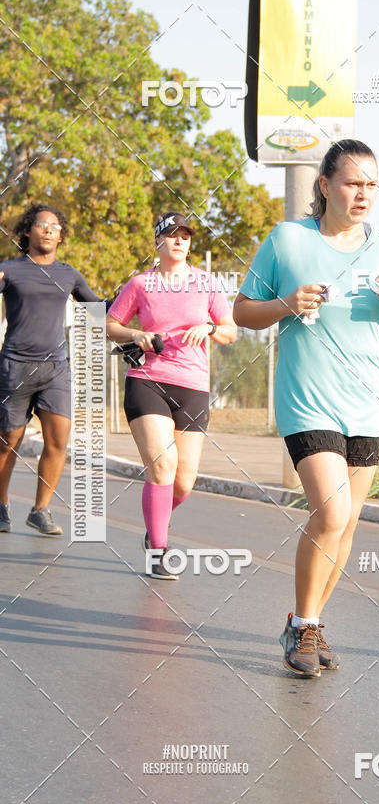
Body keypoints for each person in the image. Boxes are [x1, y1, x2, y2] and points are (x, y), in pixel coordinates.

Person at [233, 139, 379, 677]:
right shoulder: (288, 240)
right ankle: (303, 627)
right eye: (352, 182)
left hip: (366, 408)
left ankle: (308, 621)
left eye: (371, 184)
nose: (363, 193)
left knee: (345, 528)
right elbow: (243, 311)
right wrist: (286, 305)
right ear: (324, 186)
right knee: (331, 514)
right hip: (307, 402)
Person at [107, 212, 236, 580]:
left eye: (185, 235)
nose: (179, 240)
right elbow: (110, 324)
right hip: (148, 380)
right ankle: (159, 551)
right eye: (171, 234)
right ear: (157, 242)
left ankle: (155, 529)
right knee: (162, 467)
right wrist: (136, 336)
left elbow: (230, 332)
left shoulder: (206, 283)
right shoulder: (141, 284)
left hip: (193, 386)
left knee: (183, 482)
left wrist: (209, 327)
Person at [0, 203, 102, 535]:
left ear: (61, 236)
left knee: (58, 439)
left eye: (54, 226)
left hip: (56, 369)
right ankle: (1, 507)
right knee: (7, 442)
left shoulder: (68, 274)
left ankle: (40, 510)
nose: (48, 229)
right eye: (41, 224)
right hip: (15, 367)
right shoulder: (10, 270)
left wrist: (133, 297)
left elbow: (98, 308)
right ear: (27, 231)